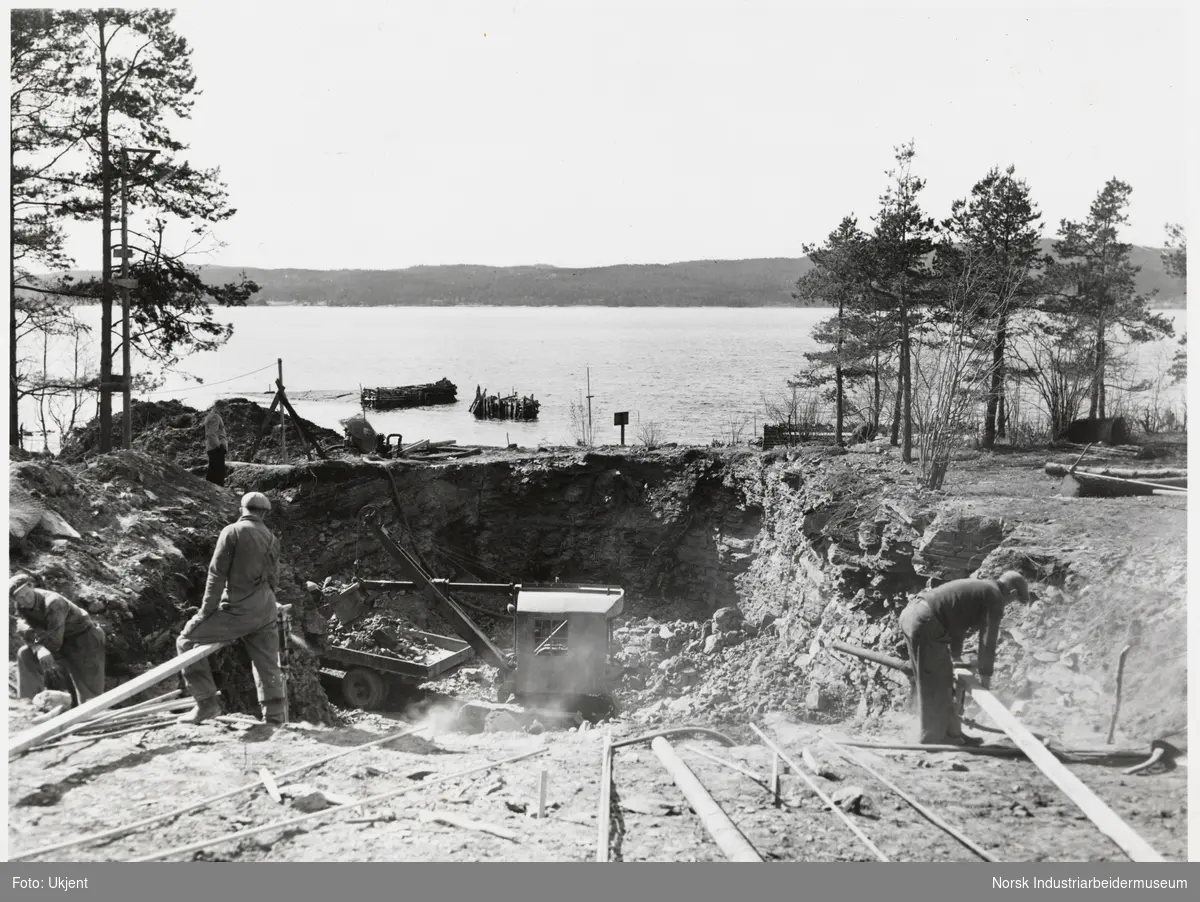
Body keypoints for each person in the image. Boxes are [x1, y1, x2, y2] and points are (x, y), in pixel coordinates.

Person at [176, 491, 287, 725]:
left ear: (242, 510)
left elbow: (216, 575)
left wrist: (205, 613)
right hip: (266, 609)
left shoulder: (232, 531)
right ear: (265, 514)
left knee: (185, 641)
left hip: (238, 611)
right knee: (268, 664)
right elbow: (274, 579)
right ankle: (276, 719)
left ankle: (206, 704)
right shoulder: (271, 538)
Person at [898, 570, 1030, 745]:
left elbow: (958, 625)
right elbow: (988, 639)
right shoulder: (994, 596)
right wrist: (985, 676)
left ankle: (952, 733)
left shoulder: (980, 589)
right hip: (926, 621)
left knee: (933, 677)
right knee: (937, 681)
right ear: (1013, 592)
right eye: (1014, 600)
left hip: (913, 615)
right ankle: (933, 738)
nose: (1009, 604)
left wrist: (956, 656)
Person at [10, 574, 107, 705]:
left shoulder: (53, 602)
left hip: (84, 641)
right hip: (58, 643)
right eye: (20, 598)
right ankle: (28, 707)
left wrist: (32, 637)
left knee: (90, 699)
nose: (26, 600)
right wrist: (36, 646)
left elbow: (54, 642)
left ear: (31, 586)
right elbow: (22, 630)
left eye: (27, 594)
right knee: (25, 654)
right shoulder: (21, 606)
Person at [204, 401, 229, 486]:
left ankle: (210, 491)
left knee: (213, 471)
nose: (225, 410)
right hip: (216, 448)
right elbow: (211, 433)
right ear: (220, 407)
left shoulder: (211, 415)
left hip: (211, 447)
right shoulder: (216, 417)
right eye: (224, 407)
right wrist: (219, 446)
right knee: (218, 473)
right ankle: (218, 493)